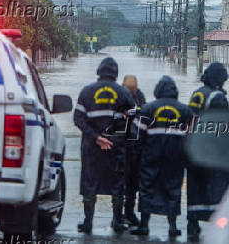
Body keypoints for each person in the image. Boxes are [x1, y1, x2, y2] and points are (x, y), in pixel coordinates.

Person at [74, 57, 135, 234]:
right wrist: (114, 139)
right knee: (117, 184)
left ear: (99, 71)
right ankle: (117, 222)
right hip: (116, 148)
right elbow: (133, 119)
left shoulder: (86, 91)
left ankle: (88, 223)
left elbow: (78, 119)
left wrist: (97, 138)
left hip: (92, 147)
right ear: (116, 73)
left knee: (90, 183)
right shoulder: (123, 93)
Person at [130, 75, 193, 237]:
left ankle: (144, 226)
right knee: (173, 190)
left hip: (151, 156)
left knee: (146, 189)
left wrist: (136, 157)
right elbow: (192, 137)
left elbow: (135, 136)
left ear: (157, 90)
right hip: (175, 159)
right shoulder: (185, 111)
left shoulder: (147, 109)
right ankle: (172, 227)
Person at [186, 62, 229, 241]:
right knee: (218, 187)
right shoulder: (217, 98)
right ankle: (221, 226)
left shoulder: (197, 93)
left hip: (192, 147)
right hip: (210, 150)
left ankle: (192, 223)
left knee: (195, 187)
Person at [122, 75, 146, 226]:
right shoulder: (119, 96)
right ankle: (118, 215)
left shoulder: (140, 97)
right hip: (122, 145)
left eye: (133, 90)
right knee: (121, 181)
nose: (131, 93)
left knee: (133, 182)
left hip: (136, 146)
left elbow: (144, 116)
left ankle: (129, 212)